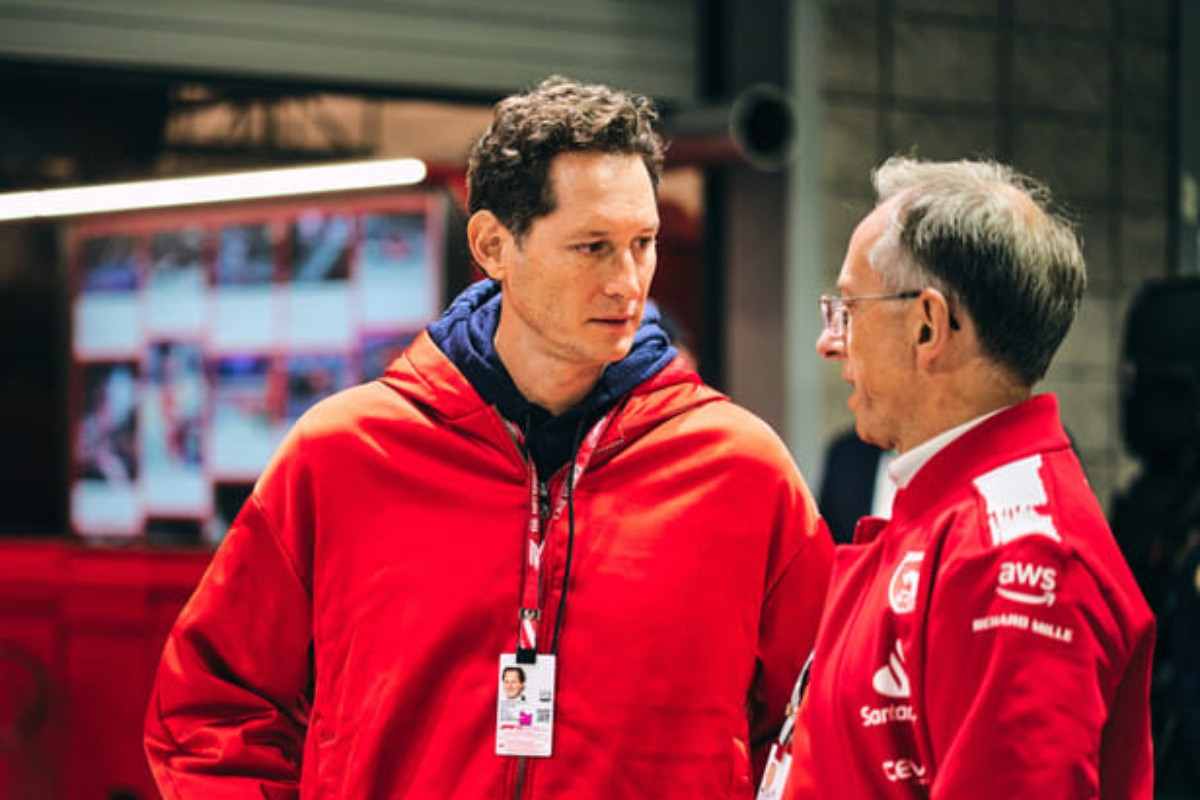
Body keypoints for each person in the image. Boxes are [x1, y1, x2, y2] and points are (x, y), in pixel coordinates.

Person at [145, 76, 833, 799]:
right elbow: (212, 710)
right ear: (493, 245)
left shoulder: (742, 472)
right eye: (593, 246)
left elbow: (823, 726)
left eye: (643, 243)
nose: (628, 282)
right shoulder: (344, 454)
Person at [781, 157, 1154, 798]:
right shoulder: (951, 512)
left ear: (929, 326)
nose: (831, 341)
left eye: (849, 307)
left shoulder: (1018, 555)